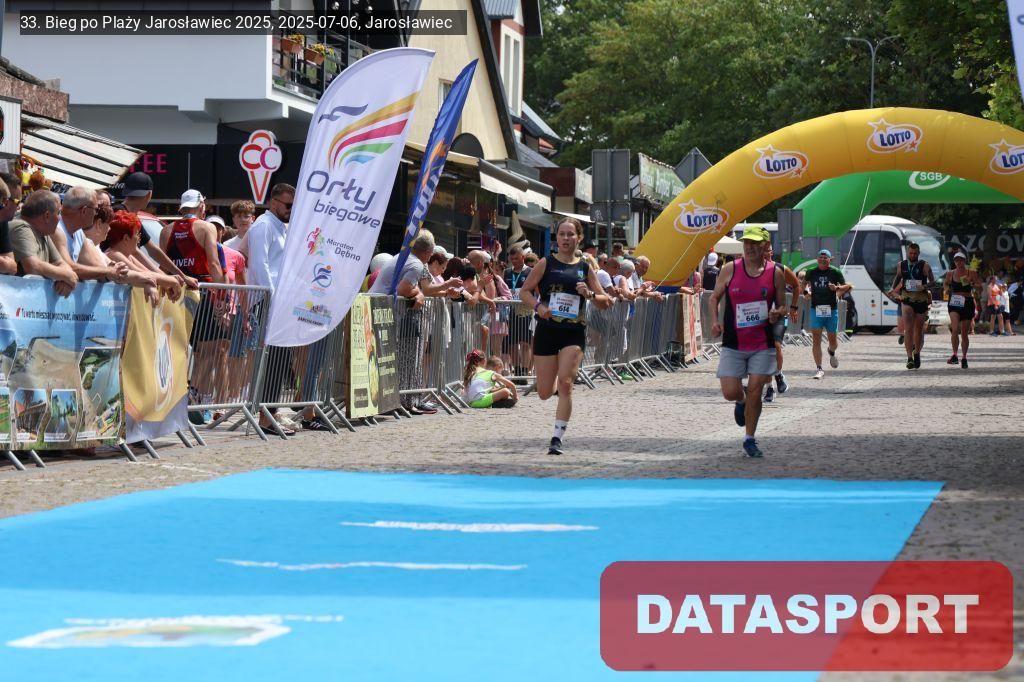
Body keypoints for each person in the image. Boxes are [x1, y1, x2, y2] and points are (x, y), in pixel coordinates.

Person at [519, 217, 612, 455]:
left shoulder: (585, 268)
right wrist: (539, 307)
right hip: (547, 330)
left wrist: (590, 294)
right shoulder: (546, 263)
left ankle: (556, 438)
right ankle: (551, 383)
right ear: (556, 238)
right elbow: (524, 292)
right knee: (544, 393)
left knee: (566, 384)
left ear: (579, 238)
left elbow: (605, 302)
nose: (566, 238)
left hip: (573, 333)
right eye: (562, 234)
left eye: (571, 234)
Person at [708, 225, 786, 458]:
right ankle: (740, 400)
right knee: (730, 392)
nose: (749, 247)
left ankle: (749, 439)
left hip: (762, 343)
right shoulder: (730, 269)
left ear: (765, 245)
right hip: (734, 342)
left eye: (754, 243)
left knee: (756, 389)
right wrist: (715, 321)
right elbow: (714, 297)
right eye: (746, 243)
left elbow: (783, 305)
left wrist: (778, 312)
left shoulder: (775, 273)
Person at [9, 190, 79, 296]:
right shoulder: (20, 227)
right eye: (58, 213)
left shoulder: (43, 232)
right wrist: (66, 276)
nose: (60, 218)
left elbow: (61, 263)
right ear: (47, 216)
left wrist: (65, 277)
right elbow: (32, 266)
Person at [802, 249, 851, 380]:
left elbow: (847, 286)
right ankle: (819, 369)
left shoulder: (835, 272)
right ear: (817, 259)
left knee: (833, 342)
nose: (823, 260)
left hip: (831, 310)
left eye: (826, 258)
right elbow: (803, 284)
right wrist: (806, 292)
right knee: (816, 339)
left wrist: (837, 288)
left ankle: (831, 351)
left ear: (830, 260)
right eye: (821, 257)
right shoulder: (811, 272)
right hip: (816, 309)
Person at [763, 243, 800, 401]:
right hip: (761, 316)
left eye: (768, 251)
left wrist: (794, 307)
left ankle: (778, 374)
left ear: (772, 252)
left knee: (776, 345)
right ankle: (770, 388)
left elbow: (796, 285)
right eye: (762, 251)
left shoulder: (780, 268)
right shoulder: (752, 271)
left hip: (779, 314)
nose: (765, 254)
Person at [889, 242, 934, 369]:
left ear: (918, 253)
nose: (913, 255)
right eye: (911, 253)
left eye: (915, 253)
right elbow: (898, 277)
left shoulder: (924, 265)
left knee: (918, 330)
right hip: (907, 299)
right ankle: (909, 357)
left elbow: (933, 282)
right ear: (907, 253)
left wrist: (924, 286)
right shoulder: (901, 265)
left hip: (921, 300)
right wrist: (892, 288)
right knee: (908, 329)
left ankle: (917, 353)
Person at [943, 252, 979, 368]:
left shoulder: (971, 273)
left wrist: (971, 283)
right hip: (954, 302)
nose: (959, 262)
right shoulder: (950, 273)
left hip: (967, 302)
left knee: (964, 333)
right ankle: (954, 355)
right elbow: (945, 284)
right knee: (955, 329)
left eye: (961, 260)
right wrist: (947, 289)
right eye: (956, 260)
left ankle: (964, 357)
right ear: (954, 262)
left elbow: (980, 286)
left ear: (965, 261)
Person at [503, 245, 534, 378]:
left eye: (516, 258)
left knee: (525, 343)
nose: (514, 261)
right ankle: (517, 370)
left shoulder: (530, 272)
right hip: (510, 311)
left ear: (523, 257)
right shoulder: (507, 272)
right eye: (512, 259)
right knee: (512, 343)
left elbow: (537, 291)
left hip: (526, 311)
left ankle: (525, 370)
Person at [0, 173, 23, 275]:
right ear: (5, 201)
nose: (19, 206)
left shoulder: (2, 222)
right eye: (17, 201)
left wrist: (4, 264)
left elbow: (13, 267)